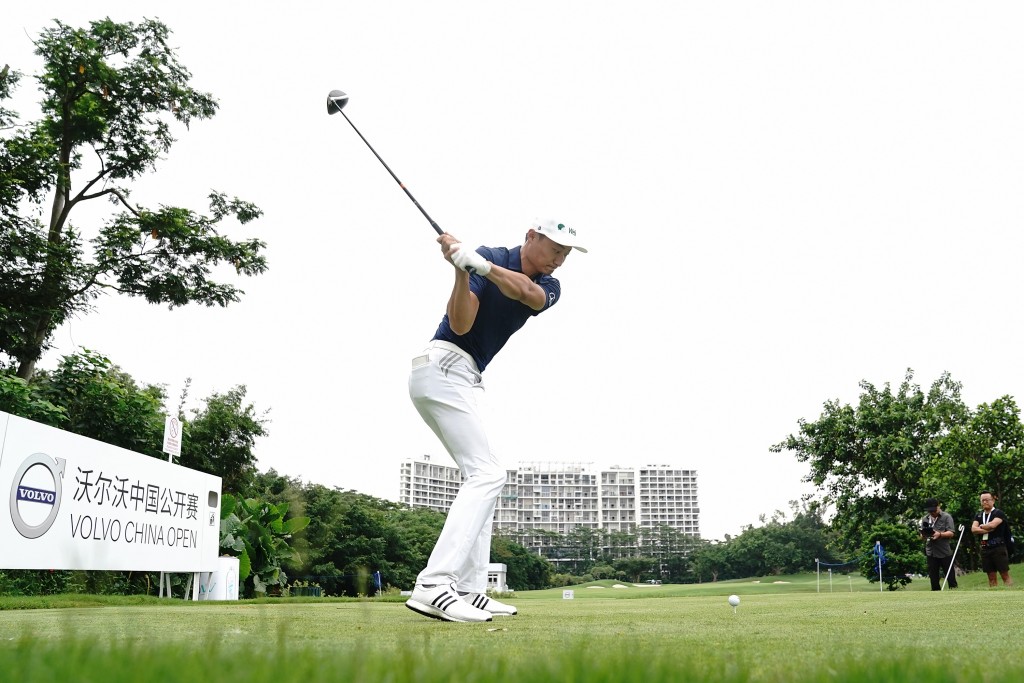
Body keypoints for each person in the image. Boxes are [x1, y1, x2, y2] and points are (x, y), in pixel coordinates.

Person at [404, 219, 587, 623]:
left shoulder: (546, 284)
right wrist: (461, 268)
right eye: (554, 248)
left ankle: (470, 589)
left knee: (484, 475)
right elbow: (460, 325)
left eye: (566, 253)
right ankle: (433, 585)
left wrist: (480, 267)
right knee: (487, 475)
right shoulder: (488, 257)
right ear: (531, 236)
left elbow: (527, 294)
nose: (559, 259)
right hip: (443, 368)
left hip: (463, 377)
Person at [971, 490, 1013, 587]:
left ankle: (1011, 592)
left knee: (1004, 573)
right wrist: (986, 528)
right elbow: (973, 529)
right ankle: (994, 594)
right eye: (982, 500)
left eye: (987, 500)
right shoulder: (978, 515)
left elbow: (993, 525)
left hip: (998, 547)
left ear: (993, 500)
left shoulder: (998, 513)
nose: (985, 502)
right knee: (990, 575)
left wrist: (981, 527)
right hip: (985, 548)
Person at [919, 498, 958, 590]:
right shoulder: (925, 518)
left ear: (938, 506)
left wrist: (939, 534)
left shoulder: (946, 517)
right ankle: (935, 594)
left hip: (944, 551)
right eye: (930, 511)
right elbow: (921, 536)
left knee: (950, 576)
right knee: (933, 577)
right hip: (931, 551)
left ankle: (955, 593)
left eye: (934, 510)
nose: (932, 513)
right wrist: (924, 535)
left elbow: (951, 533)